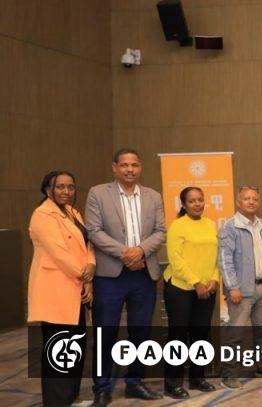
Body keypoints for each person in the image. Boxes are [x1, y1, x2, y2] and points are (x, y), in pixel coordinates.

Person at [85, 148, 166, 404]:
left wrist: (140, 251)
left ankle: (135, 382)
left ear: (140, 167)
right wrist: (125, 253)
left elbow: (161, 231)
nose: (130, 169)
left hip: (143, 274)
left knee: (140, 332)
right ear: (114, 167)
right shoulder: (98, 193)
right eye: (124, 165)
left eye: (134, 165)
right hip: (110, 276)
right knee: (105, 333)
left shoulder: (153, 196)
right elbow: (94, 231)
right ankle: (102, 388)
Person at [28, 171, 94, 406]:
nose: (66, 191)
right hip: (56, 290)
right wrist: (84, 275)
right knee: (59, 349)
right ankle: (57, 402)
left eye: (70, 187)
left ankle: (72, 397)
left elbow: (87, 245)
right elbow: (59, 253)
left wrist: (90, 269)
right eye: (60, 187)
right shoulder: (42, 215)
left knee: (75, 344)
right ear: (48, 190)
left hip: (77, 288)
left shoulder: (73, 212)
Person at [218, 187, 262, 388]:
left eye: (255, 198)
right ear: (238, 202)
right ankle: (229, 374)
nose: (251, 202)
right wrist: (233, 287)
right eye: (246, 198)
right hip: (241, 290)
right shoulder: (230, 227)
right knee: (236, 333)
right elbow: (225, 260)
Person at [163, 187, 220, 398]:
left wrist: (214, 279)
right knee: (178, 336)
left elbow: (217, 256)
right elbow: (175, 259)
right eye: (192, 201)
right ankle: (172, 383)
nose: (197, 204)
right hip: (180, 288)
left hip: (207, 289)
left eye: (200, 200)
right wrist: (196, 283)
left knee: (201, 335)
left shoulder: (210, 224)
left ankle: (198, 378)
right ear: (184, 205)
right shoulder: (177, 226)